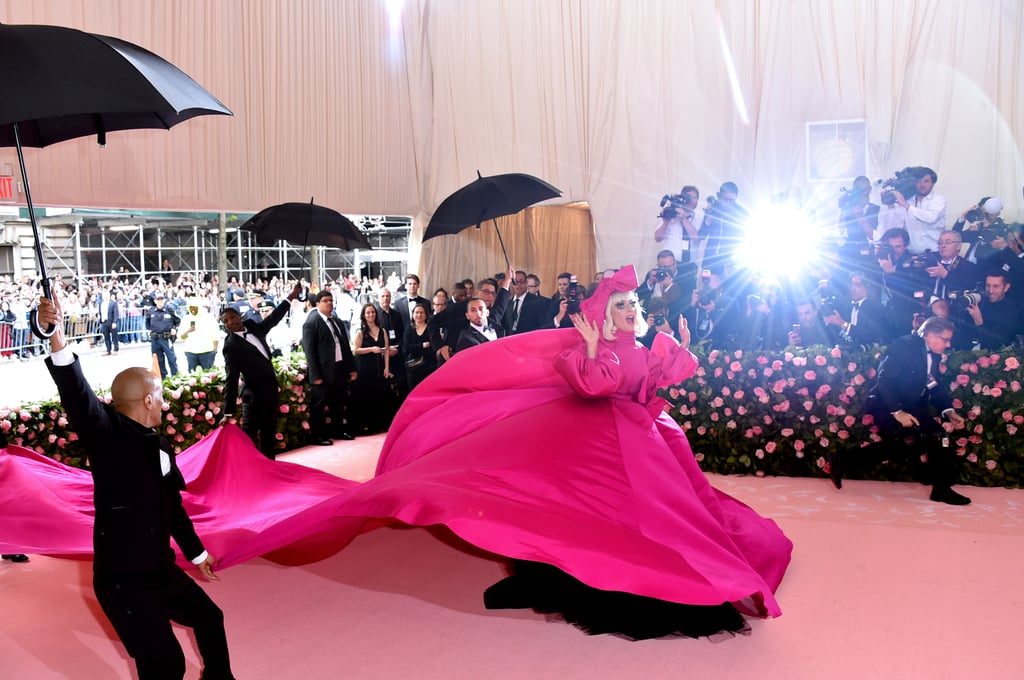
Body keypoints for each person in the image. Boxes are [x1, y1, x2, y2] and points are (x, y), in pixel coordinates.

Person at [356, 265, 791, 638]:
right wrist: (587, 348)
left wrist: (683, 344)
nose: (630, 310)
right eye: (620, 305)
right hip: (609, 441)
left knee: (675, 513)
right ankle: (575, 571)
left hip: (648, 439)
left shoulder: (640, 347)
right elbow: (592, 385)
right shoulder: (602, 349)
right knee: (596, 512)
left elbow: (660, 376)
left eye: (633, 303)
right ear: (605, 314)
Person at [36, 294, 235, 680]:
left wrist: (196, 554)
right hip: (123, 579)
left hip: (159, 568)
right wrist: (55, 334)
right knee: (165, 665)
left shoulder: (157, 442)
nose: (164, 401)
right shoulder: (106, 434)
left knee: (210, 618)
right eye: (160, 394)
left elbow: (170, 504)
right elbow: (77, 395)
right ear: (148, 399)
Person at [830, 317, 970, 505]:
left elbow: (933, 385)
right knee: (911, 442)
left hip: (910, 405)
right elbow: (885, 381)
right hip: (886, 404)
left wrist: (949, 411)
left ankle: (939, 486)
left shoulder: (933, 355)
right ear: (928, 335)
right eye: (945, 339)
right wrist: (897, 412)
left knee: (928, 439)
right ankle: (843, 460)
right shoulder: (905, 346)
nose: (948, 344)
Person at [220, 283, 302, 458]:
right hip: (253, 396)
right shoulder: (230, 346)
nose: (230, 323)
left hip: (270, 390)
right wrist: (228, 412)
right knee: (248, 435)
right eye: (225, 321)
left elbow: (273, 319)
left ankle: (269, 467)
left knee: (268, 432)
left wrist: (291, 296)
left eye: (232, 318)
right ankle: (245, 470)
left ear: (240, 317)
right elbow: (231, 378)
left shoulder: (253, 326)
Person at [301, 291, 357, 445]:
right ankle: (318, 436)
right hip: (322, 372)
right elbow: (309, 352)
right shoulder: (311, 323)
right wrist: (315, 375)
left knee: (338, 402)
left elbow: (345, 346)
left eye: (331, 300)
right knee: (319, 405)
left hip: (339, 367)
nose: (329, 303)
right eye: (325, 301)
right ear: (318, 304)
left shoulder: (337, 321)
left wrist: (351, 368)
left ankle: (338, 430)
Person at [877, 166, 947, 254]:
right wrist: (891, 206)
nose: (922, 184)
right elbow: (895, 227)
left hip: (933, 252)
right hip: (910, 252)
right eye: (919, 181)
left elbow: (931, 218)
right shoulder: (907, 200)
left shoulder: (939, 200)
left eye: (926, 181)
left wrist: (907, 206)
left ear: (932, 183)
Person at [352, 303, 396, 434]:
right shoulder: (361, 332)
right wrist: (371, 349)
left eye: (372, 312)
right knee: (367, 396)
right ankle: (368, 425)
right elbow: (356, 350)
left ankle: (382, 423)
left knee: (381, 395)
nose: (371, 315)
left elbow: (387, 349)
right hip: (365, 367)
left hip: (380, 367)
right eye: (368, 313)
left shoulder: (382, 331)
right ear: (364, 316)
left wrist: (387, 367)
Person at [965, 272, 1020, 350]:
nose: (990, 291)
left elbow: (993, 343)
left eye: (996, 286)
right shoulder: (980, 300)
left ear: (1006, 287)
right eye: (988, 285)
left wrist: (979, 321)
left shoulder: (1010, 311)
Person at [178, 297, 219, 371]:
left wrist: (215, 350)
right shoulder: (185, 319)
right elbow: (181, 337)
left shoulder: (209, 318)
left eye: (195, 307)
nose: (193, 310)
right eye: (191, 308)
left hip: (207, 352)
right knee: (193, 378)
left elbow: (216, 334)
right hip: (191, 353)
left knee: (208, 376)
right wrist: (188, 331)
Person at [402, 303, 437, 391]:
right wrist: (422, 346)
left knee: (428, 391)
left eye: (422, 313)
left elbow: (433, 347)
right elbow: (405, 348)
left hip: (429, 366)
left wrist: (414, 348)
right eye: (416, 312)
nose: (419, 315)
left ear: (426, 315)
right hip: (413, 367)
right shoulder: (409, 329)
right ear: (413, 315)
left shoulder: (431, 329)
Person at [147, 292, 180, 378]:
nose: (160, 301)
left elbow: (177, 321)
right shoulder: (151, 311)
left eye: (162, 299)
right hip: (155, 339)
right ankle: (162, 378)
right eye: (158, 299)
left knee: (172, 359)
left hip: (166, 338)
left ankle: (176, 377)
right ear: (155, 301)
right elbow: (147, 322)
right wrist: (148, 330)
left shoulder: (169, 309)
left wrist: (174, 328)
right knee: (158, 360)